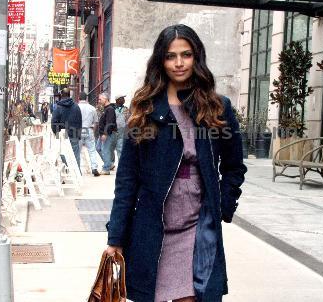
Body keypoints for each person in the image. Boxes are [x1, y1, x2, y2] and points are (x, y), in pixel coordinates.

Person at [106, 24, 247, 302]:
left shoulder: (217, 107)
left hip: (197, 226)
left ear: (197, 57)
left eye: (186, 54)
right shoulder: (145, 107)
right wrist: (116, 237)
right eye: (171, 56)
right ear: (161, 60)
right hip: (154, 226)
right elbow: (127, 180)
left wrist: (223, 205)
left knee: (193, 296)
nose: (179, 63)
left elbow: (234, 166)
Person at [51, 88, 82, 168]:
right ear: (69, 95)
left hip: (62, 135)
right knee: (76, 155)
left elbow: (54, 122)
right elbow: (79, 121)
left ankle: (69, 170)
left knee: (63, 154)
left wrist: (56, 133)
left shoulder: (58, 107)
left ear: (62, 95)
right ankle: (77, 173)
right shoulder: (76, 106)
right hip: (74, 134)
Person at [78, 91, 100, 177]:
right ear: (86, 98)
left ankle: (78, 169)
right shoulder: (92, 108)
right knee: (92, 150)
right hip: (89, 129)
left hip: (79, 130)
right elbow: (96, 122)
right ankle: (94, 168)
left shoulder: (76, 107)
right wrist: (93, 131)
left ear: (78, 98)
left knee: (78, 151)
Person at [96, 92, 117, 175]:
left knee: (105, 150)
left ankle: (106, 169)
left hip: (107, 134)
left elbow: (110, 122)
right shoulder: (105, 108)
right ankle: (110, 164)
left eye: (100, 99)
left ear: (106, 99)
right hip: (102, 133)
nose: (99, 101)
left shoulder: (110, 109)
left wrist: (105, 133)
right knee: (98, 148)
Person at [113, 93, 129, 161]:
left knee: (120, 148)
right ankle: (111, 163)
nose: (124, 100)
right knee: (110, 149)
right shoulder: (112, 108)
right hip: (113, 131)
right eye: (122, 98)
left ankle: (120, 163)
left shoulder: (126, 109)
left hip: (122, 131)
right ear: (117, 100)